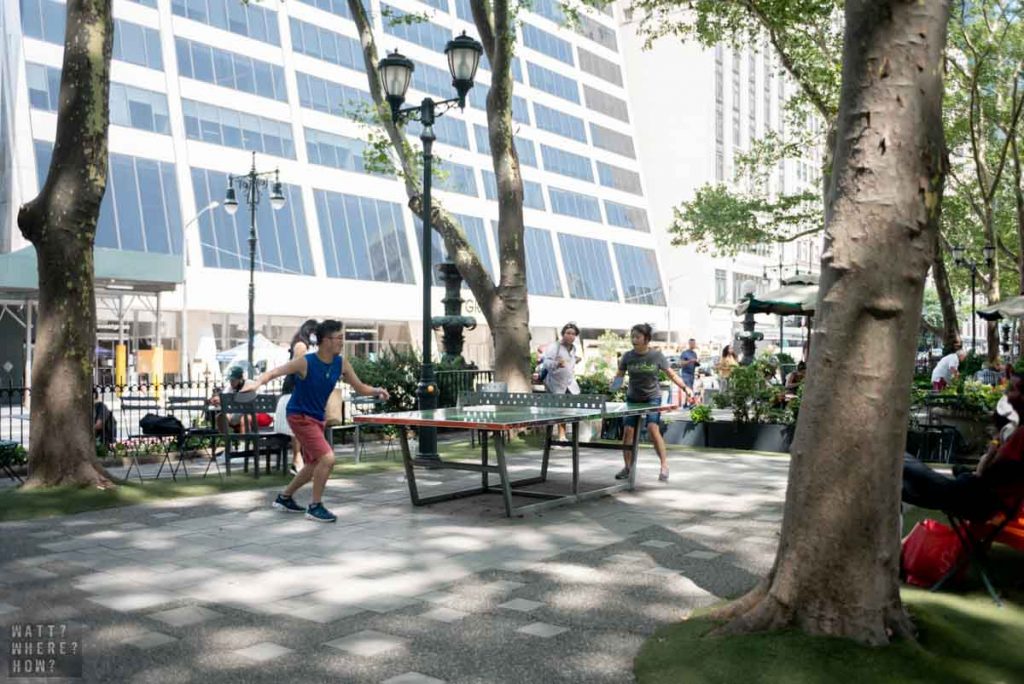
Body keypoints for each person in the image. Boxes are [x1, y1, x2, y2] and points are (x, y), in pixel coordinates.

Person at [242, 319, 389, 523]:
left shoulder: (341, 363)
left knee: (313, 464)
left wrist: (377, 391)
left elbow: (360, 387)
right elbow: (275, 372)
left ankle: (284, 498)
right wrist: (256, 383)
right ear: (326, 341)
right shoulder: (306, 362)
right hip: (300, 416)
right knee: (327, 459)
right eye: (339, 338)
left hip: (317, 418)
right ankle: (315, 506)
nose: (342, 342)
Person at [903, 370, 1024, 520]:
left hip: (982, 502)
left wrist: (991, 451)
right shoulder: (1015, 430)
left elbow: (992, 472)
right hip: (983, 497)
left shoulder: (1020, 435)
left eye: (1011, 389)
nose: (1006, 394)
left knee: (905, 466)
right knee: (910, 476)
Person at [610, 324, 692, 483]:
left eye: (637, 337)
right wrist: (613, 385)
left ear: (646, 339)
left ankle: (664, 466)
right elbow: (619, 377)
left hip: (652, 398)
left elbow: (672, 375)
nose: (634, 340)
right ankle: (627, 467)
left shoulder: (656, 356)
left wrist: (685, 388)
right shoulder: (627, 356)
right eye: (632, 336)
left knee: (652, 429)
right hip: (633, 399)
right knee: (628, 431)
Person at [276, 319, 318, 475]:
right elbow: (298, 367)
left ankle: (304, 460)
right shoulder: (301, 346)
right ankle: (297, 459)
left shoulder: (306, 346)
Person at [542, 323, 582, 443]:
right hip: (555, 384)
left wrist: (576, 360)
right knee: (556, 411)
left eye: (573, 334)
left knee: (569, 410)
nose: (570, 336)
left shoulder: (574, 348)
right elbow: (546, 363)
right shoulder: (555, 347)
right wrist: (557, 364)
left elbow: (570, 362)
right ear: (563, 334)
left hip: (570, 383)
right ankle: (554, 438)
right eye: (568, 333)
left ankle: (564, 436)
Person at [210, 366, 252, 434]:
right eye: (230, 380)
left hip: (253, 414)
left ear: (240, 379)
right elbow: (224, 398)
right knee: (220, 417)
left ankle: (244, 443)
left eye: (233, 380)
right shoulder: (230, 387)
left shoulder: (249, 384)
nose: (231, 382)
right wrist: (218, 400)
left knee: (245, 419)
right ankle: (227, 441)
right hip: (235, 415)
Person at [678, 338, 700, 407]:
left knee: (689, 388)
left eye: (694, 343)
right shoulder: (685, 353)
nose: (693, 345)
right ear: (689, 344)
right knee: (689, 388)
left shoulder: (694, 353)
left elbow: (695, 363)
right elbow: (681, 363)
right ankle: (691, 404)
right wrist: (690, 361)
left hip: (692, 373)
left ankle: (685, 403)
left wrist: (697, 363)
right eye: (692, 343)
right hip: (685, 373)